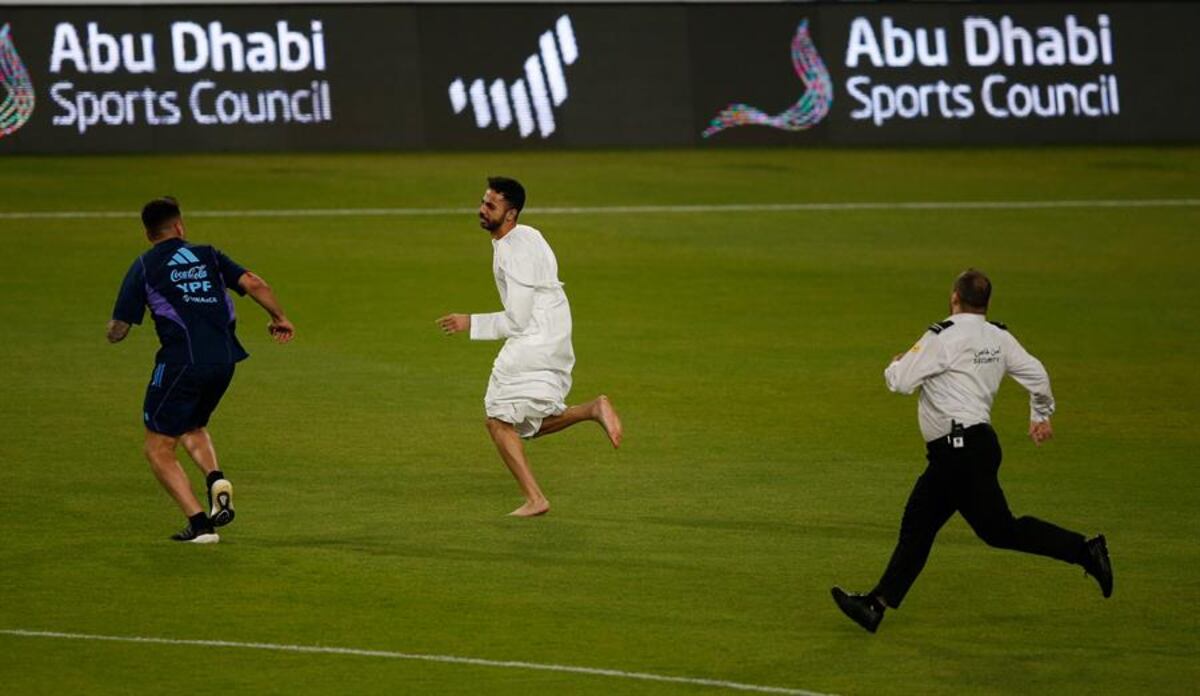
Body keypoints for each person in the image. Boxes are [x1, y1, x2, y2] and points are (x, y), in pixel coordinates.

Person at [831, 269, 1113, 633]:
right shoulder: (999, 336)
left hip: (958, 450)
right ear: (986, 303)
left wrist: (896, 363)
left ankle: (1086, 552)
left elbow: (900, 383)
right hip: (970, 448)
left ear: (954, 298)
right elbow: (1037, 373)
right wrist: (1040, 415)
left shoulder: (943, 336)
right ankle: (875, 605)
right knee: (931, 524)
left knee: (986, 529)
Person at [108, 197, 294, 543]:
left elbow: (119, 331)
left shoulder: (145, 266)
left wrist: (113, 330)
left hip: (181, 362)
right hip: (224, 361)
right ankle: (215, 480)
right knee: (192, 424)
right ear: (180, 227)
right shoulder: (208, 254)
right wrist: (279, 317)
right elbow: (254, 282)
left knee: (158, 448)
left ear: (149, 234)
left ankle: (199, 525)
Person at [437, 176, 623, 517]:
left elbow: (517, 320)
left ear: (511, 215)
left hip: (535, 335)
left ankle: (536, 499)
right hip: (554, 326)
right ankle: (592, 409)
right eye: (483, 201)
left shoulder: (513, 252)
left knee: (497, 419)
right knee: (523, 423)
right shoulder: (528, 234)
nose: (481, 209)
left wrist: (470, 322)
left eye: (491, 206)